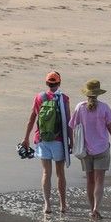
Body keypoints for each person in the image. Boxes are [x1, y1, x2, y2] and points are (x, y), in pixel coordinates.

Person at [70, 79, 111, 220]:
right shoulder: (104, 107)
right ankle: (96, 208)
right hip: (101, 149)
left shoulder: (79, 107)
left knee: (90, 181)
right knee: (99, 181)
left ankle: (91, 209)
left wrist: (72, 144)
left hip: (85, 150)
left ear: (87, 93)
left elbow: (73, 127)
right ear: (98, 93)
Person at [21, 71, 70, 214]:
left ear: (47, 83)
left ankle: (47, 205)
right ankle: (62, 205)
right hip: (58, 140)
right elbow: (68, 122)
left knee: (46, 173)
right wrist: (71, 141)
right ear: (59, 83)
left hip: (42, 140)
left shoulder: (39, 97)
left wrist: (26, 138)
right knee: (60, 174)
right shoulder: (64, 98)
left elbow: (31, 119)